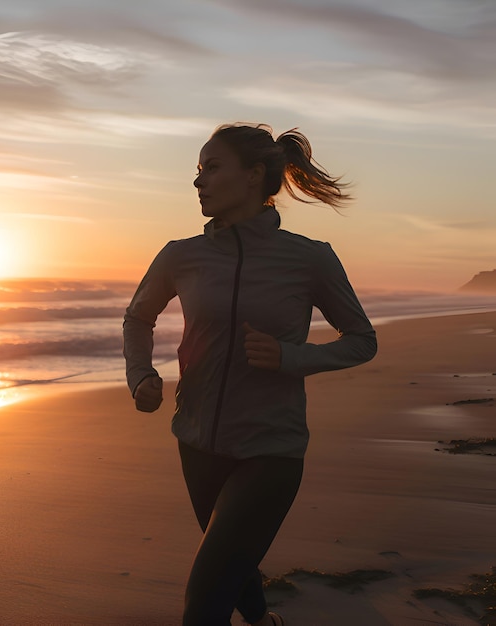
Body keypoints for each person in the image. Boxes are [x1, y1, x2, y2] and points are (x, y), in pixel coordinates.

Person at [122, 123, 377, 626]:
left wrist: (291, 357)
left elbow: (361, 340)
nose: (199, 181)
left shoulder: (309, 258)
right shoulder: (182, 254)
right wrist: (140, 375)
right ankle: (264, 622)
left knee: (205, 596)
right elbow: (138, 316)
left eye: (212, 168)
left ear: (254, 175)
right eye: (198, 171)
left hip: (271, 449)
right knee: (233, 569)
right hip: (196, 441)